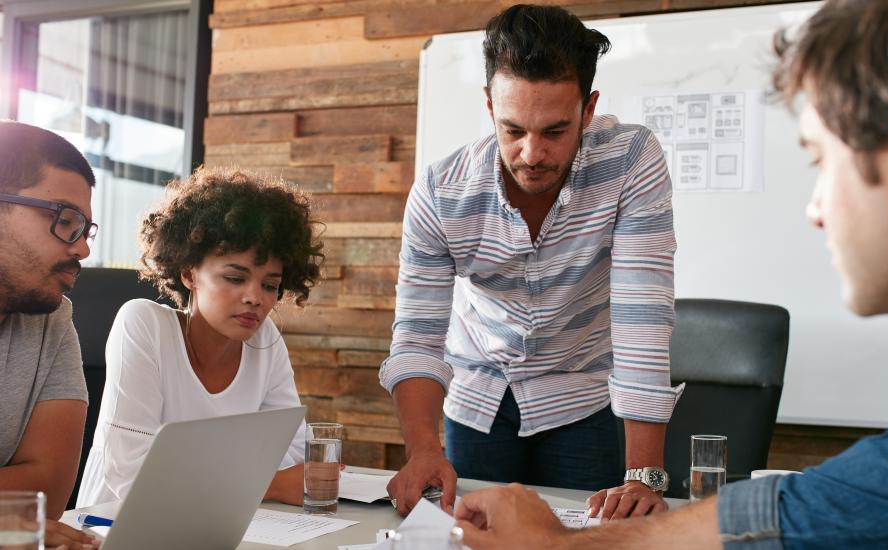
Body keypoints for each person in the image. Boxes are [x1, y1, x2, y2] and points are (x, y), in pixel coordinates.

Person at [453, 0, 888, 548]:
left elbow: (641, 315)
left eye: (820, 160)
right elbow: (807, 509)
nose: (815, 209)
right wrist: (563, 545)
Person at [381, 4, 682, 518]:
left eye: (555, 131)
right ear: (489, 105)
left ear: (588, 111)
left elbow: (642, 319)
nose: (531, 153)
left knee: (587, 538)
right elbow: (417, 335)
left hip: (581, 396)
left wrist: (642, 476)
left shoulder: (631, 161)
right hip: (478, 398)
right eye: (513, 129)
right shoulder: (440, 192)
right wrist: (423, 450)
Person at [77, 167, 324, 508]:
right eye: (235, 278)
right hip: (114, 527)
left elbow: (294, 452)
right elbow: (133, 476)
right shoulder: (143, 324)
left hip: (225, 520)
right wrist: (272, 485)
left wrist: (217, 477)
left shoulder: (265, 340)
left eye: (270, 285)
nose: (256, 297)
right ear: (189, 273)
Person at [0, 121, 102, 549]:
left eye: (84, 229)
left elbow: (48, 493)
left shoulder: (51, 317)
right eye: (65, 220)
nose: (82, 249)